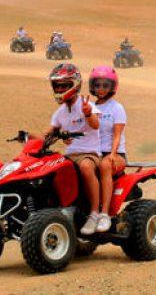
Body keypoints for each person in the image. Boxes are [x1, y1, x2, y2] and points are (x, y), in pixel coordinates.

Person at [45, 63, 103, 235]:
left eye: (64, 85)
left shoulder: (87, 106)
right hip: (69, 155)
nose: (60, 88)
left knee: (85, 168)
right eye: (58, 85)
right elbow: (48, 133)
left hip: (89, 153)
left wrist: (87, 113)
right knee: (50, 170)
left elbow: (95, 124)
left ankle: (94, 214)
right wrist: (29, 138)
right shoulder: (59, 112)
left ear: (75, 84)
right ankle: (60, 209)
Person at [90, 66, 126, 233]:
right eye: (98, 85)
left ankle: (104, 214)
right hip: (94, 152)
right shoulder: (89, 106)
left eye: (105, 85)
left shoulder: (116, 108)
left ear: (112, 87)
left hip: (116, 153)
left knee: (105, 165)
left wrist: (112, 154)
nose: (101, 89)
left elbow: (117, 135)